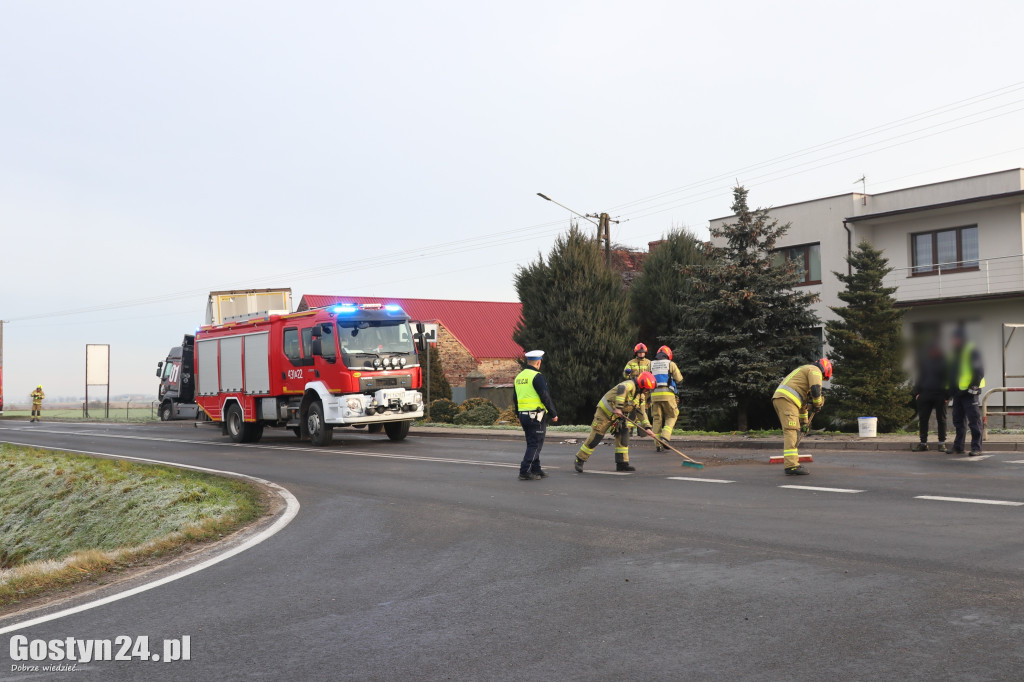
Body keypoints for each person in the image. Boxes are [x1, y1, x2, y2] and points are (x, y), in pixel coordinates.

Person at [574, 371, 656, 473]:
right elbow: (622, 389)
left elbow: (641, 412)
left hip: (619, 417)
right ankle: (580, 459)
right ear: (642, 384)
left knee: (623, 436)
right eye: (647, 388)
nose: (647, 391)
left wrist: (647, 427)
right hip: (605, 413)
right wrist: (618, 408)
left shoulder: (641, 396)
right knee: (596, 437)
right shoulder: (629, 385)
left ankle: (622, 464)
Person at [772, 358, 832, 476]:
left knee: (794, 430)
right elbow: (816, 389)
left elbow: (803, 406)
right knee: (791, 431)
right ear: (825, 370)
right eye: (823, 378)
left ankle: (792, 464)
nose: (821, 380)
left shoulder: (804, 375)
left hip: (784, 399)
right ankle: (791, 466)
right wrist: (817, 403)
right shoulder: (814, 370)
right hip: (787, 400)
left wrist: (804, 423)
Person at [514, 350, 558, 481]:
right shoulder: (537, 376)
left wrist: (518, 414)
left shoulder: (519, 377)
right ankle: (525, 471)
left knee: (532, 441)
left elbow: (515, 398)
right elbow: (545, 395)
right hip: (535, 415)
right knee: (536, 443)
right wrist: (553, 413)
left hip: (524, 415)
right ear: (538, 362)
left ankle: (536, 468)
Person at [949, 327, 984, 456]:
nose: (952, 341)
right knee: (958, 421)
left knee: (974, 421)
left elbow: (979, 371)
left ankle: (977, 447)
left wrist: (972, 388)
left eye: (954, 339)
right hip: (958, 393)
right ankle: (958, 446)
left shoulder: (972, 351)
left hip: (969, 393)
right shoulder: (954, 353)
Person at [913, 342, 948, 452]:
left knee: (941, 419)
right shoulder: (925, 362)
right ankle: (923, 443)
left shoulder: (944, 363)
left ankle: (941, 443)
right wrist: (917, 393)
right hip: (925, 395)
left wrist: (947, 395)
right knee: (923, 419)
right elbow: (920, 377)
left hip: (940, 395)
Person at [649, 345, 683, 450]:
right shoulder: (670, 364)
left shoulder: (650, 364)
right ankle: (665, 438)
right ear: (668, 355)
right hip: (668, 395)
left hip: (654, 396)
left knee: (657, 419)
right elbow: (679, 379)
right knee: (672, 415)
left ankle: (658, 445)